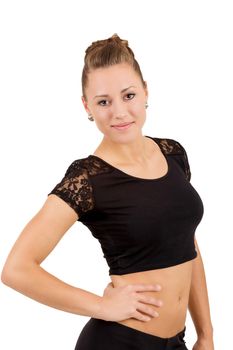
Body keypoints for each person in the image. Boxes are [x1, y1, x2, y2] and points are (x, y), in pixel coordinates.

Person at [1, 33, 214, 350]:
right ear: (87, 106)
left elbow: (186, 242)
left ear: (145, 91)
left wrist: (206, 333)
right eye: (103, 102)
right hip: (120, 342)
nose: (119, 112)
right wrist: (102, 307)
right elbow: (16, 269)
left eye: (128, 95)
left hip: (177, 342)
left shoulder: (173, 154)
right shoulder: (87, 178)